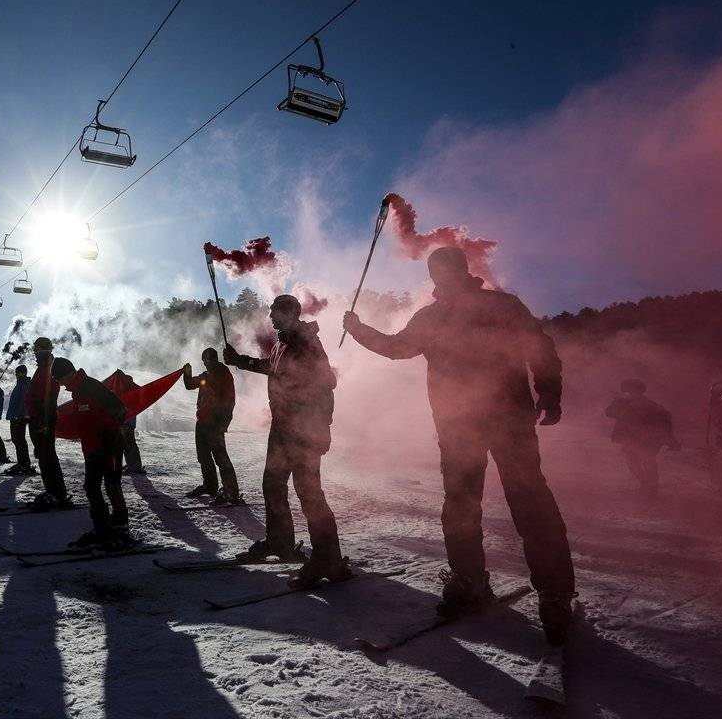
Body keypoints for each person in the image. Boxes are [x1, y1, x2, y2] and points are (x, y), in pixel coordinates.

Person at [343, 245, 576, 645]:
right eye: (435, 271)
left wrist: (549, 391)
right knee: (459, 506)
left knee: (530, 502)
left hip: (508, 418)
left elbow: (539, 348)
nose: (440, 276)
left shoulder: (502, 306)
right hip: (456, 425)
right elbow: (398, 347)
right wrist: (359, 328)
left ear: (461, 269)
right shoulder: (431, 317)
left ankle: (555, 595)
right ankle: (469, 582)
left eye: (446, 269)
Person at [224, 294, 345, 588]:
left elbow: (328, 381)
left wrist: (318, 426)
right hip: (282, 429)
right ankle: (280, 543)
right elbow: (273, 367)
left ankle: (328, 558)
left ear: (290, 313)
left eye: (275, 312)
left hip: (303, 431)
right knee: (273, 484)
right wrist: (240, 361)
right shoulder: (282, 343)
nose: (271, 316)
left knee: (308, 492)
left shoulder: (306, 343)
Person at [50, 357, 131, 548]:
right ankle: (109, 527)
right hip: (94, 446)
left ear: (68, 373)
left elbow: (120, 409)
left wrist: (108, 435)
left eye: (60, 379)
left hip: (106, 445)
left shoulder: (90, 387)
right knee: (96, 485)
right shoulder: (79, 390)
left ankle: (114, 528)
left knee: (103, 484)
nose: (61, 384)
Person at [183, 348, 240, 503]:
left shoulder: (223, 375)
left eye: (209, 360)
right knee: (203, 456)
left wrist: (223, 423)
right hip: (202, 422)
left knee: (221, 458)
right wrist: (187, 373)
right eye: (204, 361)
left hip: (215, 424)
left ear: (215, 360)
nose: (206, 363)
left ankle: (231, 491)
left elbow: (230, 401)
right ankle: (210, 486)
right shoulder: (206, 376)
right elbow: (190, 384)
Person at [604, 379, 677, 498]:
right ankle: (649, 486)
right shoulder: (643, 403)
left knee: (641, 460)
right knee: (640, 460)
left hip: (644, 437)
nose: (628, 392)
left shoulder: (644, 404)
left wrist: (669, 438)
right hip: (641, 438)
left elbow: (665, 420)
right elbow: (609, 413)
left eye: (629, 390)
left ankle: (649, 486)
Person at [27, 337, 69, 508]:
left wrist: (43, 421)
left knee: (47, 456)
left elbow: (50, 396)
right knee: (44, 456)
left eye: (36, 348)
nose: (34, 351)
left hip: (43, 418)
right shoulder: (43, 367)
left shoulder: (49, 367)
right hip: (38, 417)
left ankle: (57, 493)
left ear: (43, 349)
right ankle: (53, 491)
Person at [4, 364, 35, 475]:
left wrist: (23, 415)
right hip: (16, 416)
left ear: (23, 373)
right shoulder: (21, 384)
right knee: (17, 439)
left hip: (18, 417)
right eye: (16, 373)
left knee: (19, 439)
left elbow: (25, 402)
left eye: (18, 373)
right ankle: (23, 462)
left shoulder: (24, 385)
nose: (16, 375)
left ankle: (24, 463)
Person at [117, 371, 145, 474]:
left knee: (128, 443)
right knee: (128, 443)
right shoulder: (133, 391)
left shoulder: (126, 392)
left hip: (126, 422)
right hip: (129, 422)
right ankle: (133, 465)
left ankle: (134, 466)